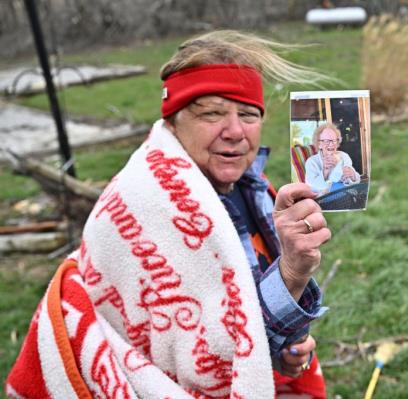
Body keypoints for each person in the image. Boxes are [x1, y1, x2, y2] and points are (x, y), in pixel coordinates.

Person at [6, 31, 332, 399]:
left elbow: (245, 325)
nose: (235, 131)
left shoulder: (248, 185)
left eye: (248, 114)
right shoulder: (144, 207)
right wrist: (290, 273)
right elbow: (209, 366)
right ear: (173, 121)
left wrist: (285, 351)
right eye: (211, 113)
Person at [305, 123, 360, 195]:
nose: (331, 144)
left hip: (348, 195)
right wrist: (325, 172)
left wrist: (353, 176)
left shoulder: (343, 156)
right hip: (325, 199)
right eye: (327, 141)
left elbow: (356, 178)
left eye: (334, 140)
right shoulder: (312, 162)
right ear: (319, 144)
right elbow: (311, 188)